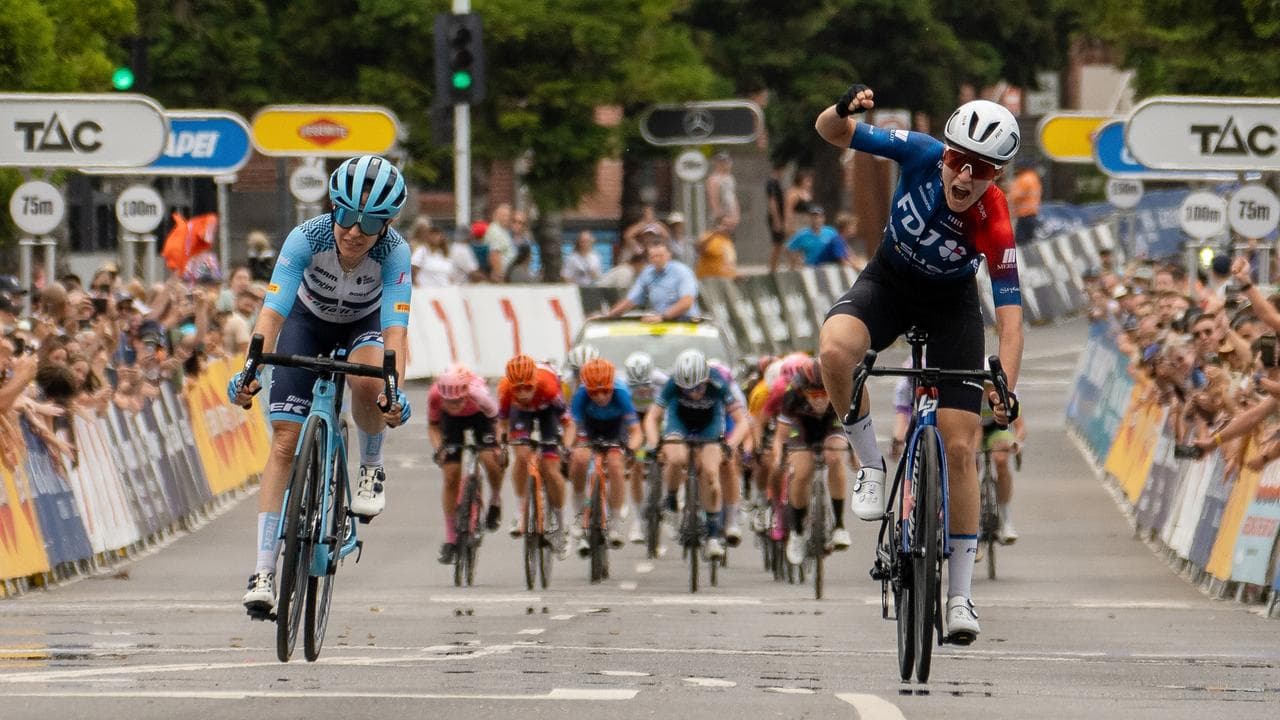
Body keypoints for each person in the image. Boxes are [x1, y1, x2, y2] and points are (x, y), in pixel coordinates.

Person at [815, 84, 1023, 645]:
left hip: (952, 307)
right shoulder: (920, 151)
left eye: (980, 170)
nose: (962, 177)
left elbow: (1010, 318)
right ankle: (868, 465)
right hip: (888, 283)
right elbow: (830, 133)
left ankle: (959, 597)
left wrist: (1004, 384)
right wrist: (842, 112)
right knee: (834, 350)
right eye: (958, 160)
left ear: (996, 176)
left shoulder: (995, 218)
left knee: (960, 447)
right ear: (946, 152)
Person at [227, 154, 412, 619]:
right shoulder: (305, 237)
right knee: (285, 442)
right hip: (305, 322)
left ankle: (371, 464)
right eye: (345, 215)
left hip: (363, 326)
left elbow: (395, 333)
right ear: (333, 207)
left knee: (365, 376)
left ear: (385, 224)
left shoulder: (395, 253)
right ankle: (264, 571)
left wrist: (394, 391)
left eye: (369, 223)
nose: (353, 230)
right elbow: (271, 314)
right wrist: (250, 370)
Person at [644, 349, 747, 559]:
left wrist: (731, 444)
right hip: (679, 422)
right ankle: (672, 500)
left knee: (710, 473)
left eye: (698, 387)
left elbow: (742, 420)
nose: (693, 393)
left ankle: (712, 536)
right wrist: (655, 444)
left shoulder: (718, 383)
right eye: (687, 388)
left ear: (706, 379)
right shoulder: (672, 383)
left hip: (709, 425)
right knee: (675, 458)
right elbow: (652, 417)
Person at [772, 358, 852, 565]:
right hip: (803, 426)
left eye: (824, 393)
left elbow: (855, 429)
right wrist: (779, 457)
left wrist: (855, 455)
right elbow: (781, 436)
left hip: (831, 424)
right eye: (814, 394)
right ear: (803, 391)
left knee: (834, 457)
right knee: (801, 473)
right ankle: (797, 532)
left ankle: (839, 526)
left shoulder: (842, 389)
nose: (819, 400)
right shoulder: (792, 394)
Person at [428, 364, 505, 564]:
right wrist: (439, 449)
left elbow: (498, 422)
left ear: (465, 393)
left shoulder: (479, 394)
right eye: (449, 402)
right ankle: (451, 538)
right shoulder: (436, 396)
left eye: (458, 401)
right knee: (451, 475)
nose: (454, 406)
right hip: (452, 424)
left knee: (490, 460)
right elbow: (433, 427)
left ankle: (495, 499)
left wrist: (498, 446)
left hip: (480, 418)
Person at [568, 358, 643, 553]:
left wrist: (631, 449)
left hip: (615, 430)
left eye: (605, 391)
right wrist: (568, 446)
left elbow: (636, 431)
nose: (600, 396)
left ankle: (616, 523)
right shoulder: (581, 395)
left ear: (612, 386)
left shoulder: (621, 393)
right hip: (590, 428)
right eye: (594, 392)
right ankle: (579, 515)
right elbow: (572, 427)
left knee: (616, 466)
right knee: (578, 460)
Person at [499, 354, 570, 558]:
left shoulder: (549, 387)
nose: (522, 393)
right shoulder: (505, 389)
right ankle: (522, 510)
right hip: (521, 415)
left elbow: (568, 423)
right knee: (521, 455)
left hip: (548, 413)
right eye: (517, 388)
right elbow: (501, 424)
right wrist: (503, 446)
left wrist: (564, 446)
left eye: (527, 388)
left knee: (551, 468)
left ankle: (559, 522)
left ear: (535, 382)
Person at [622, 351, 668, 543]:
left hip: (658, 418)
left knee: (667, 456)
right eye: (636, 386)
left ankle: (667, 496)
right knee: (637, 464)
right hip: (636, 421)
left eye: (645, 386)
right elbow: (625, 419)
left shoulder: (662, 381)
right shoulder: (622, 385)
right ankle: (640, 520)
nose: (640, 390)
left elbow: (670, 410)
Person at [597, 238, 700, 323]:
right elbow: (631, 300)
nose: (656, 260)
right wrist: (607, 315)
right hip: (662, 322)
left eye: (660, 256)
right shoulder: (647, 273)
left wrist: (663, 316)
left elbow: (687, 302)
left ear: (669, 255)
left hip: (686, 322)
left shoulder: (682, 272)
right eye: (653, 257)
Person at [786, 206, 853, 269]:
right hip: (811, 267)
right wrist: (796, 263)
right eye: (814, 217)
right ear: (809, 219)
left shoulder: (831, 232)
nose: (816, 220)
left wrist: (851, 257)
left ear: (823, 218)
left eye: (819, 217)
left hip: (829, 267)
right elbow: (789, 248)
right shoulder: (802, 234)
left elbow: (842, 244)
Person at [410, 217, 459, 288]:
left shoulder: (444, 254)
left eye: (437, 234)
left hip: (445, 292)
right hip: (426, 293)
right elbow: (413, 272)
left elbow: (451, 276)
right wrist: (418, 288)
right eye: (432, 235)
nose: (435, 237)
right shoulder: (422, 251)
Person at [1008, 162, 1042, 245]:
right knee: (1029, 239)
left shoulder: (1023, 179)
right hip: (1033, 213)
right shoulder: (1034, 177)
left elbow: (1015, 196)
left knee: (1021, 240)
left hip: (1024, 214)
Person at [694, 215, 738, 280]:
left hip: (726, 280)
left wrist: (735, 275)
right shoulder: (710, 237)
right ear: (718, 225)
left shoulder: (728, 241)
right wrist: (715, 233)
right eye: (725, 225)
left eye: (730, 225)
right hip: (710, 281)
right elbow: (697, 247)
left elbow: (729, 263)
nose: (728, 228)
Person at [706, 152, 740, 228]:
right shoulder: (713, 179)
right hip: (721, 219)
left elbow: (733, 198)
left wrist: (736, 215)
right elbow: (713, 200)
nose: (725, 164)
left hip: (731, 216)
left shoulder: (730, 178)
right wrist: (721, 218)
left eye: (727, 162)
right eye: (722, 162)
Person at [484, 203, 516, 281]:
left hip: (506, 273)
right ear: (496, 216)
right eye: (503, 215)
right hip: (500, 275)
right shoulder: (495, 231)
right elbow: (494, 254)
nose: (506, 218)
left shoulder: (502, 230)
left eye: (508, 215)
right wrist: (498, 275)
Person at [767, 162, 788, 273]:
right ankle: (772, 269)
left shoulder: (777, 183)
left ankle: (774, 267)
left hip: (780, 217)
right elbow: (772, 201)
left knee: (780, 244)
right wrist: (777, 220)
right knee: (777, 244)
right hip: (776, 217)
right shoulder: (772, 183)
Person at [783, 169, 814, 237]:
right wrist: (788, 226)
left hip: (808, 224)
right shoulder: (793, 193)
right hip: (797, 223)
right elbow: (788, 211)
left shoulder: (809, 193)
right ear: (800, 181)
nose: (810, 183)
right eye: (807, 181)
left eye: (810, 181)